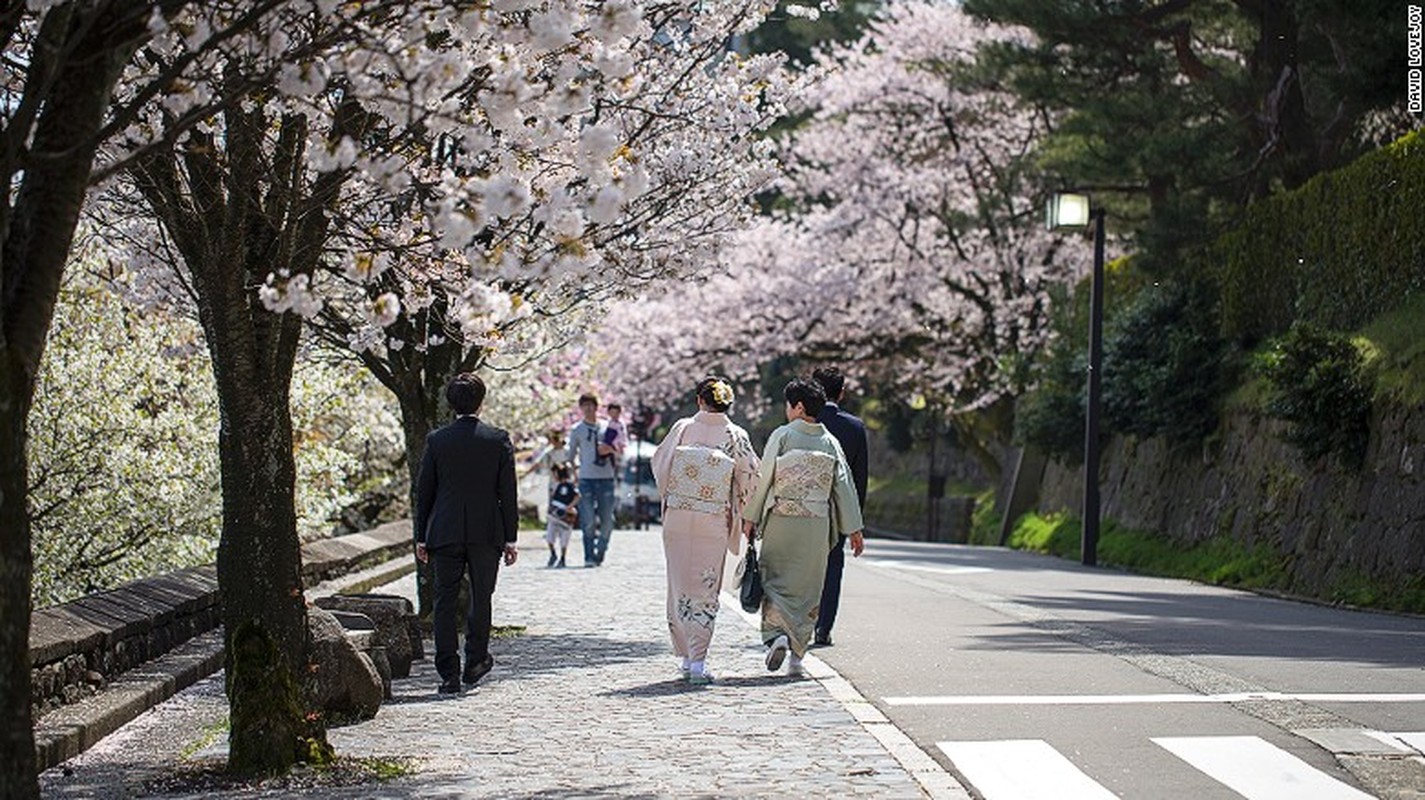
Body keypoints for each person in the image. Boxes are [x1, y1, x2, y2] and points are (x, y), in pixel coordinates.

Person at [741, 377, 864, 677]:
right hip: (815, 525)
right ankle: (797, 657)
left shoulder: (782, 436)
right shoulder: (830, 442)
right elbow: (844, 488)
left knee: (774, 581)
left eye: (787, 404)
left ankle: (776, 637)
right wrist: (854, 530)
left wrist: (751, 516)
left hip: (782, 520)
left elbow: (765, 477)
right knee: (809, 588)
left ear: (798, 407)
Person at [414, 372, 520, 695]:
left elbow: (424, 491)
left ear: (450, 403)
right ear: (481, 401)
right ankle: (475, 661)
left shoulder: (437, 440)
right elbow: (508, 492)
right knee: (481, 596)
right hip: (486, 531)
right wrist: (510, 537)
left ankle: (448, 673)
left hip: (444, 529)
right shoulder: (497, 439)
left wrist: (421, 536)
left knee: (444, 601)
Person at [650, 376, 758, 684]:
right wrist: (744, 511)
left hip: (679, 518)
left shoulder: (682, 428)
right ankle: (698, 662)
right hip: (713, 519)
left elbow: (661, 465)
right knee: (706, 587)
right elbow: (750, 477)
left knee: (679, 586)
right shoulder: (736, 435)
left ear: (700, 400)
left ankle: (685, 658)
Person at [811, 366, 869, 647]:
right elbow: (860, 478)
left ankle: (799, 621)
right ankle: (824, 627)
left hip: (803, 507)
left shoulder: (804, 421)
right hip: (838, 509)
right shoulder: (854, 427)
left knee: (802, 565)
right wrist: (855, 521)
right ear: (842, 392)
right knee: (833, 565)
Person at [566, 393, 618, 566]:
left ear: (597, 407)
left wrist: (610, 449)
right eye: (585, 405)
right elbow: (570, 455)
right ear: (581, 408)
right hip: (585, 479)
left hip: (607, 479)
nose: (588, 408)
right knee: (588, 520)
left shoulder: (607, 426)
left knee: (607, 521)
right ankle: (589, 556)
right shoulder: (577, 429)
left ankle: (601, 550)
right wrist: (574, 473)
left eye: (591, 405)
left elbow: (621, 449)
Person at [544, 463, 579, 568]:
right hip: (554, 515)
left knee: (564, 538)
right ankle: (553, 554)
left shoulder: (569, 485)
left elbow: (577, 496)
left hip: (565, 515)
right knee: (549, 537)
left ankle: (563, 558)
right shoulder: (554, 485)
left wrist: (570, 507)